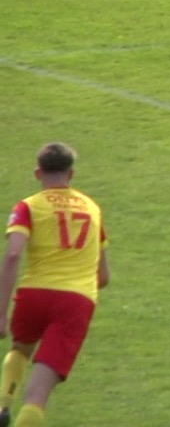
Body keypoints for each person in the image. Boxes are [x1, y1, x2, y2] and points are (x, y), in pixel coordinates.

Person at [0, 143, 110, 427]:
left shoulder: (28, 206)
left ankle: (2, 403)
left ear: (38, 173)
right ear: (71, 174)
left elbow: (13, 255)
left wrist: (1, 313)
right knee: (37, 397)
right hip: (75, 300)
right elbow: (104, 275)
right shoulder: (92, 209)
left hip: (34, 293)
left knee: (21, 348)